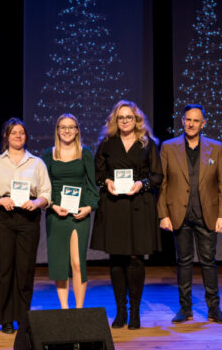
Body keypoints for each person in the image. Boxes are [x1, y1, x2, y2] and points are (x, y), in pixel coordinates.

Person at [90, 100, 163, 330]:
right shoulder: (107, 144)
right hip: (114, 205)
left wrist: (141, 184)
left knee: (135, 258)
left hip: (139, 205)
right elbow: (97, 174)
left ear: (136, 120)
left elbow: (157, 176)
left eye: (129, 117)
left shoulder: (147, 144)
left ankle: (135, 312)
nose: (124, 121)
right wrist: (108, 182)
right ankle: (120, 311)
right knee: (117, 258)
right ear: (115, 120)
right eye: (120, 118)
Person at [158, 104, 222, 325]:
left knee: (209, 261)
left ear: (203, 124)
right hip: (178, 214)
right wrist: (163, 214)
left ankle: (214, 309)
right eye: (187, 119)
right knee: (184, 262)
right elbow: (162, 184)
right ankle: (185, 308)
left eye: (196, 121)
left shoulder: (215, 148)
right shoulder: (169, 147)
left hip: (206, 214)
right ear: (182, 121)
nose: (191, 124)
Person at [0, 117, 51, 334]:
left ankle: (22, 316)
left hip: (27, 218)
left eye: (21, 132)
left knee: (25, 269)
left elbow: (46, 194)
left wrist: (37, 202)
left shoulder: (36, 163)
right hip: (2, 217)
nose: (18, 136)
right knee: (3, 269)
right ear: (6, 136)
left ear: (26, 136)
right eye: (14, 133)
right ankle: (5, 318)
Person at [41, 114, 99, 309]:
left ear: (77, 130)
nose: (66, 130)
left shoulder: (85, 153)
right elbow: (43, 187)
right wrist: (52, 205)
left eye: (71, 127)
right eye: (62, 127)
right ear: (57, 130)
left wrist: (89, 208)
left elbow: (92, 185)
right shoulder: (49, 155)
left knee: (76, 262)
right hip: (56, 214)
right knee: (59, 263)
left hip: (79, 214)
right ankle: (65, 309)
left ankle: (79, 310)